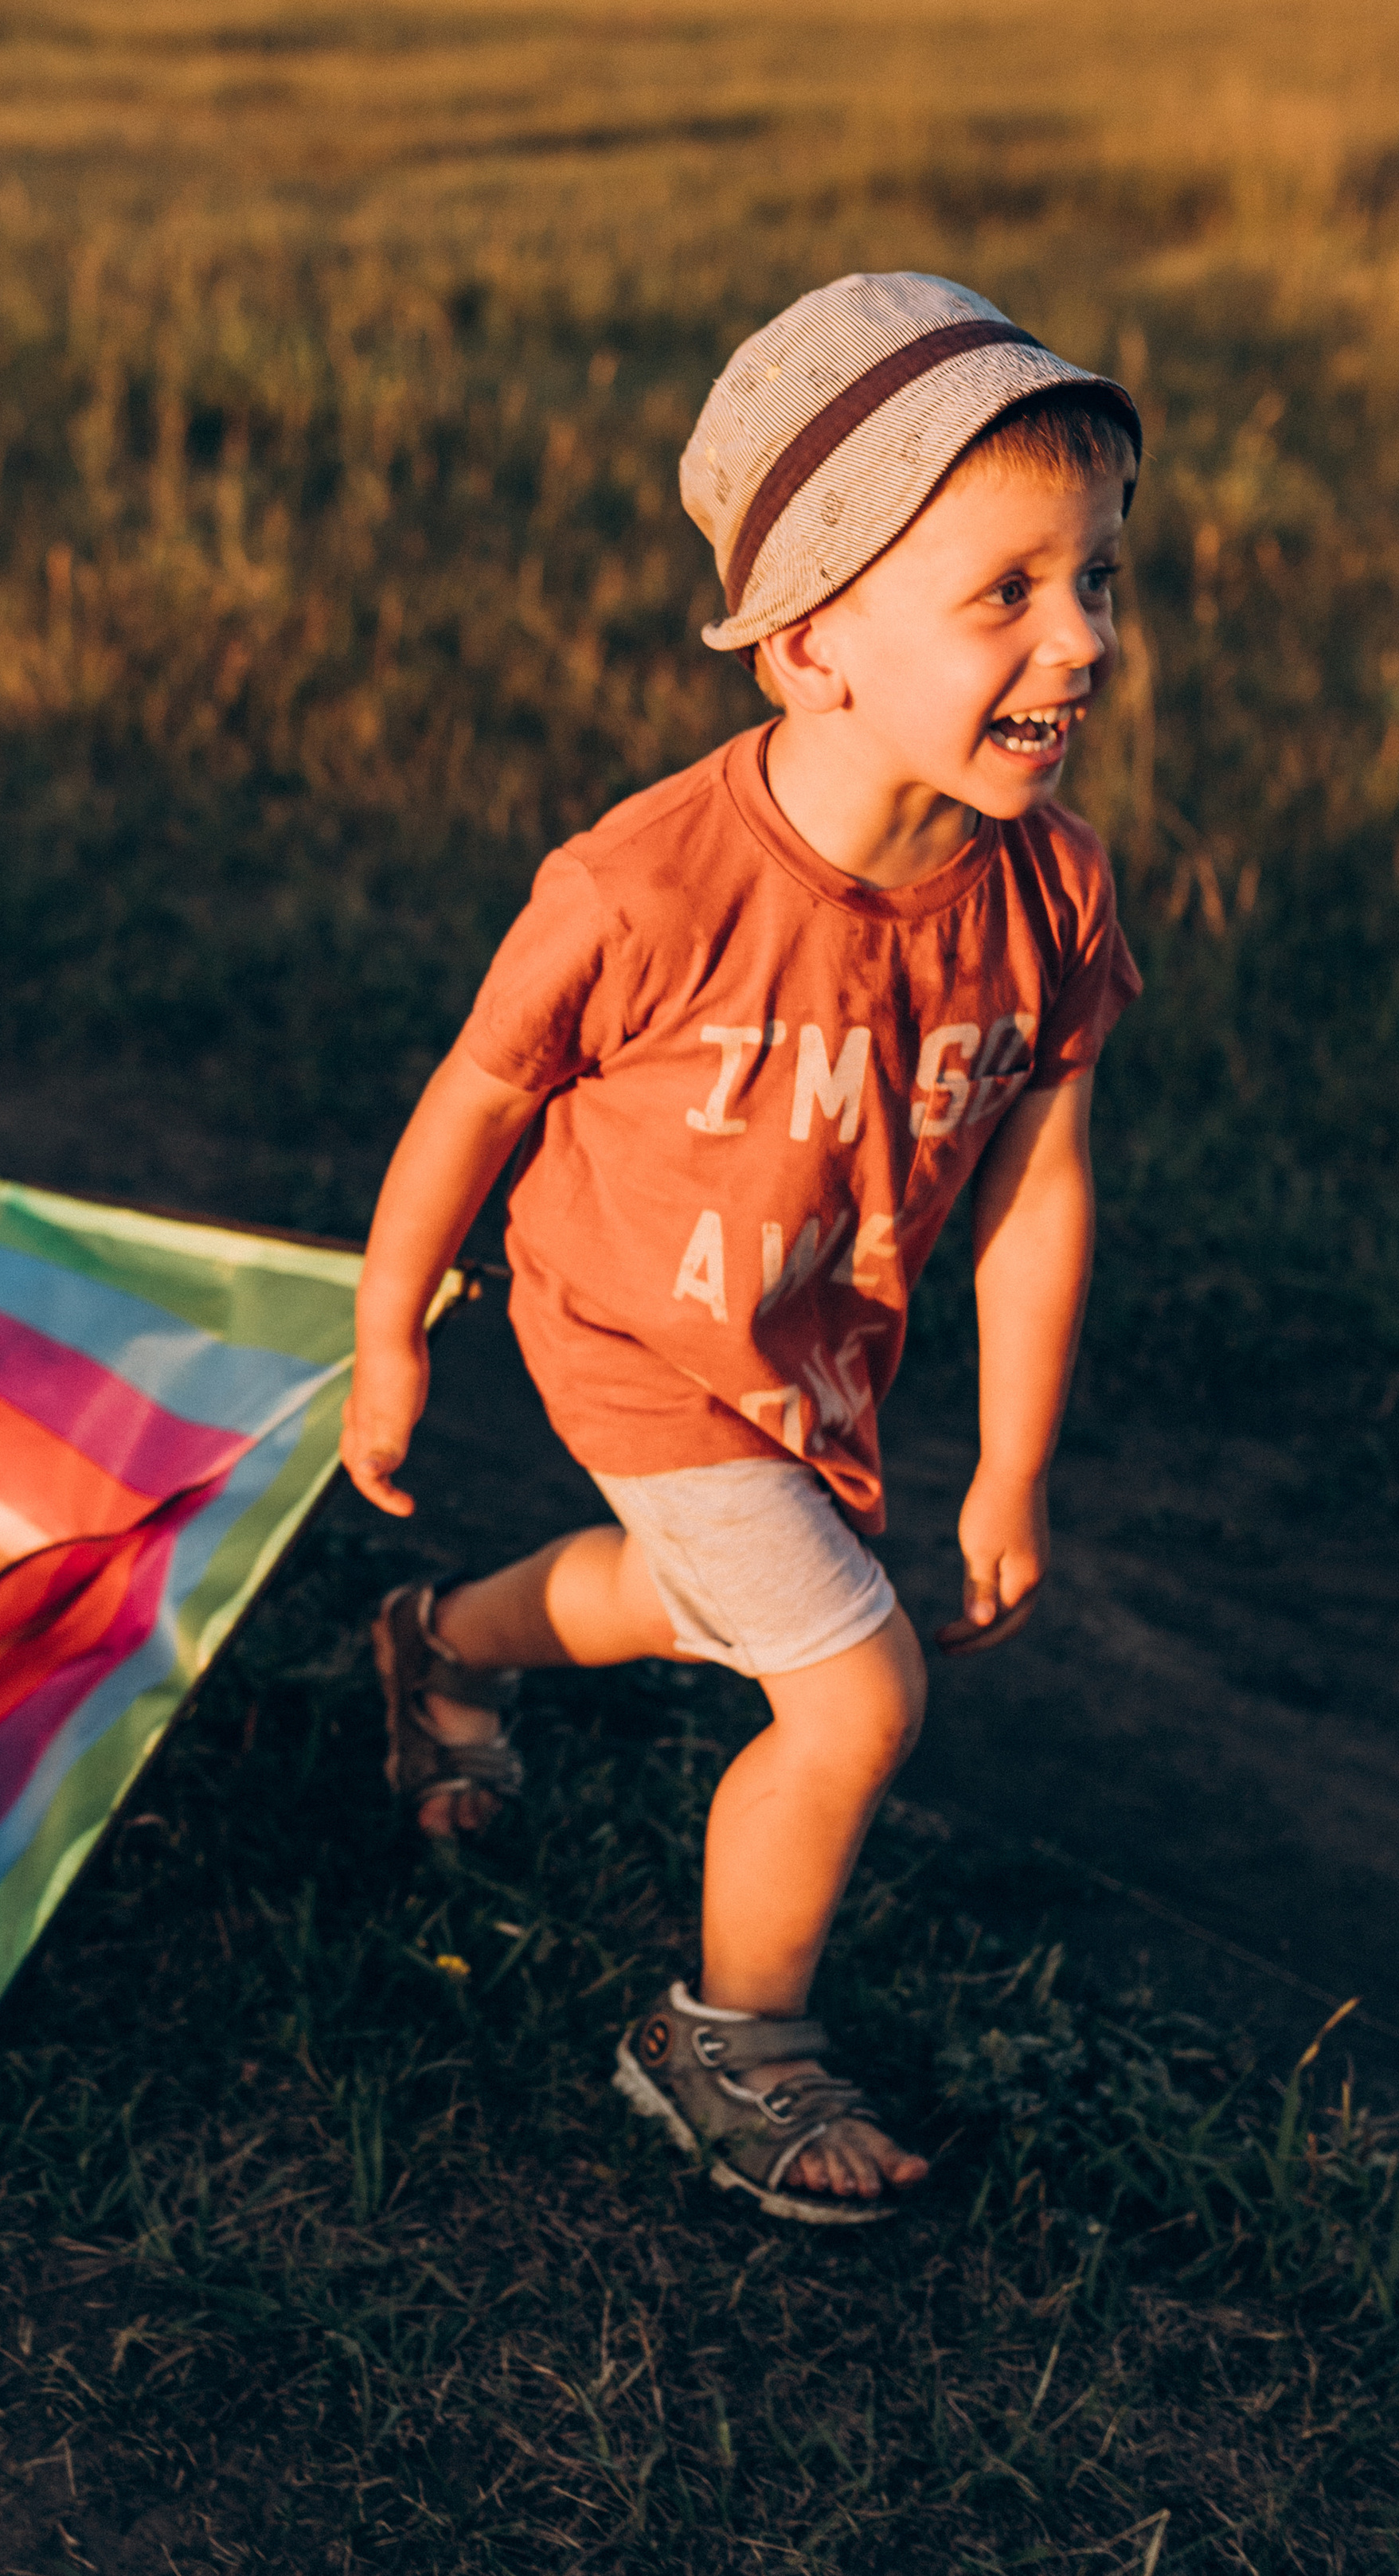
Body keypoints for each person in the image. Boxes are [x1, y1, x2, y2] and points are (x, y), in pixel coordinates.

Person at [340, 272, 1143, 2226]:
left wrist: (1013, 1463)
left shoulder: (1045, 894)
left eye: (1099, 579)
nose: (1084, 639)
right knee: (851, 1688)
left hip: (801, 1346)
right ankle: (723, 2037)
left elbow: (1037, 1185)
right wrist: (391, 1333)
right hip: (622, 1329)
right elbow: (476, 1089)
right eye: (1007, 593)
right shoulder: (643, 885)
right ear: (810, 645)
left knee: (698, 1599)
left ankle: (437, 1651)